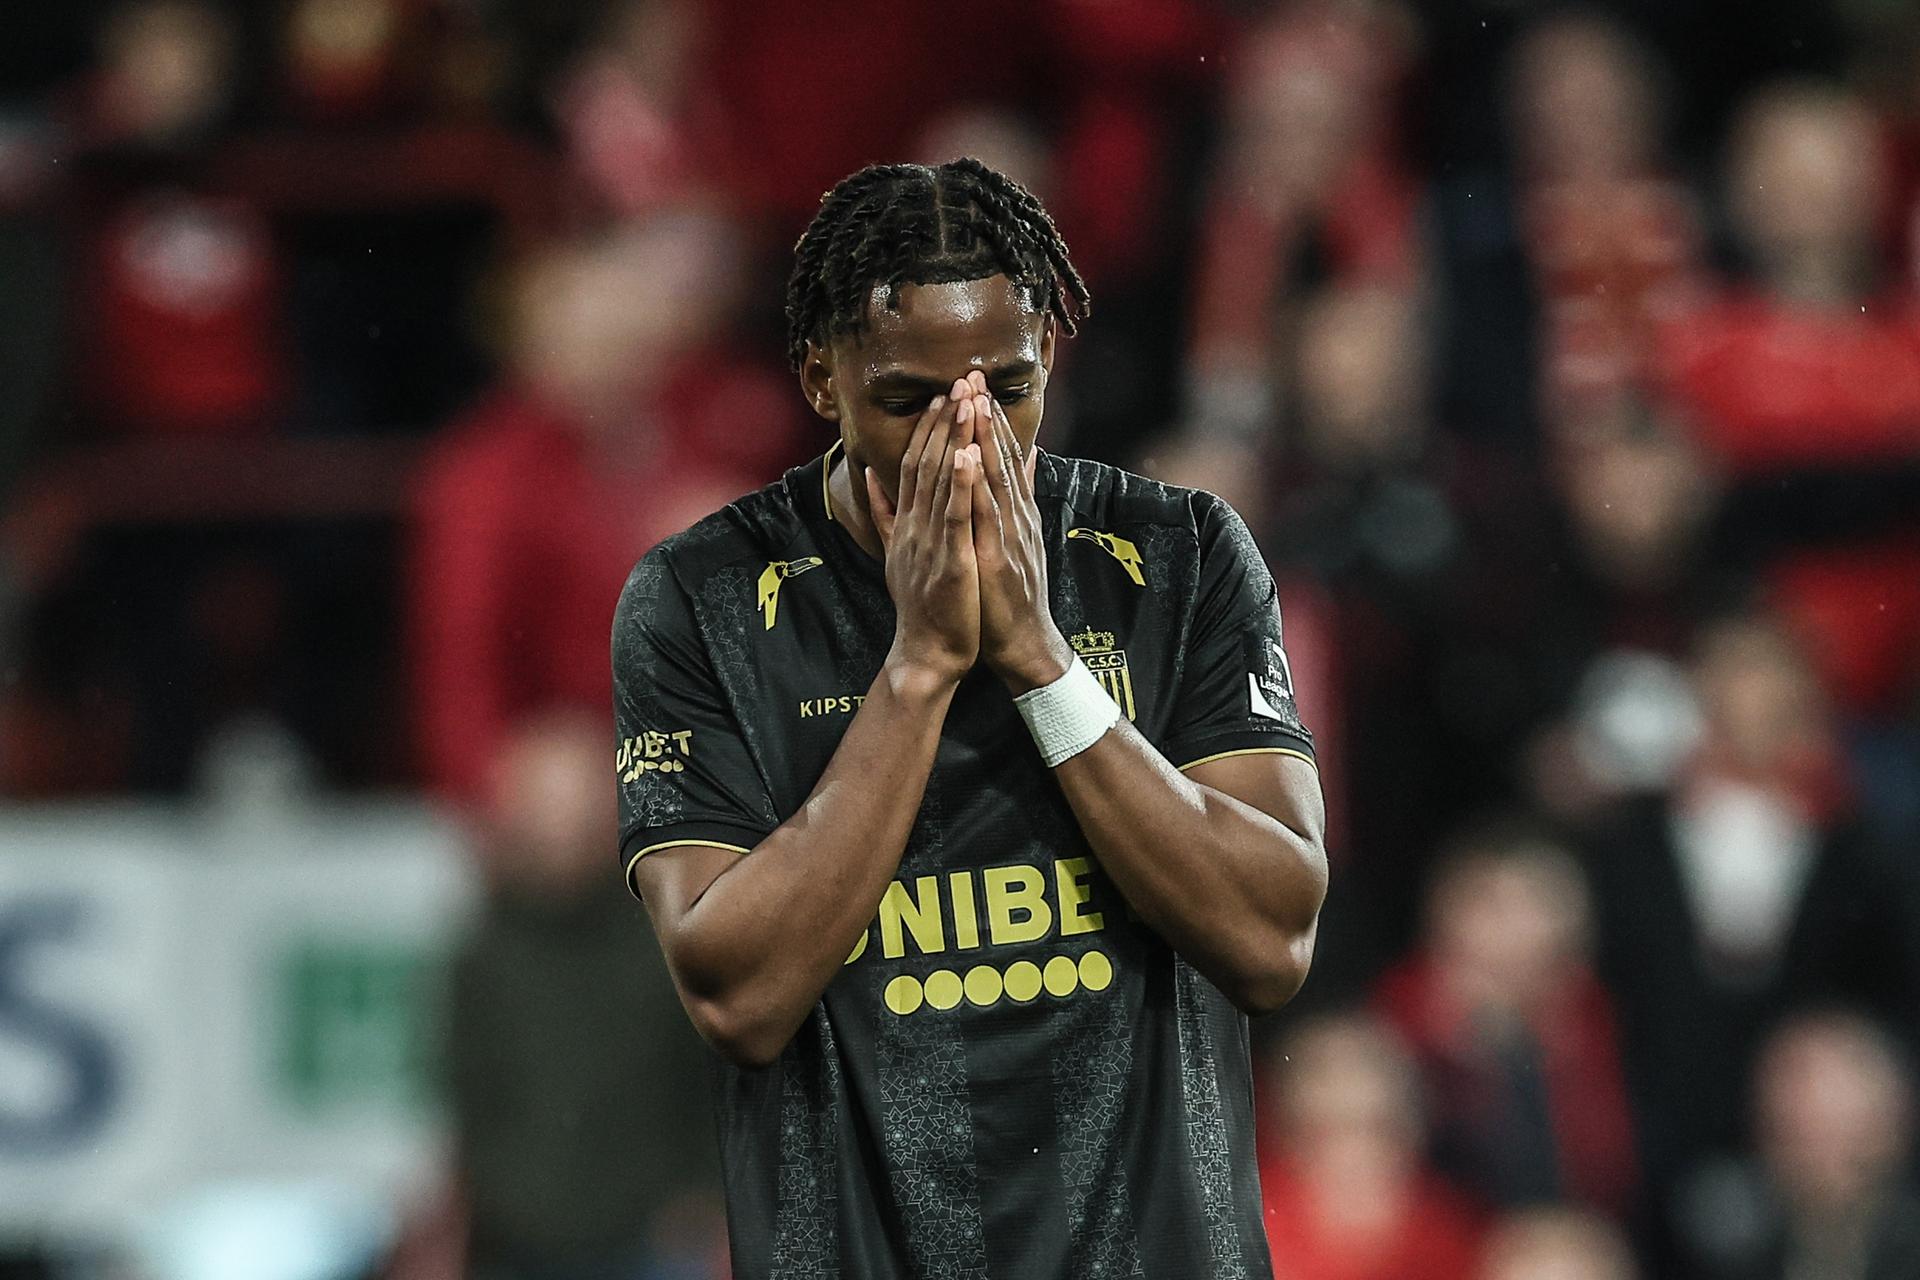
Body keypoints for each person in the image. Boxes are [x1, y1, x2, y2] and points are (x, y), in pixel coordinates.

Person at [611, 158, 1328, 1279]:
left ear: (1051, 355)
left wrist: (1041, 661)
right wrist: (921, 665)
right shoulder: (703, 600)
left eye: (1010, 387)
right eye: (909, 401)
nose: (965, 438)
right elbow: (737, 996)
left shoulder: (1178, 556)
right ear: (820, 377)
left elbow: (1271, 941)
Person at [1258, 1013, 1484, 1280]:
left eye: (1379, 1127)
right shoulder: (1250, 1226)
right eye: (1331, 1130)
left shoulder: (1449, 1231)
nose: (1357, 1151)